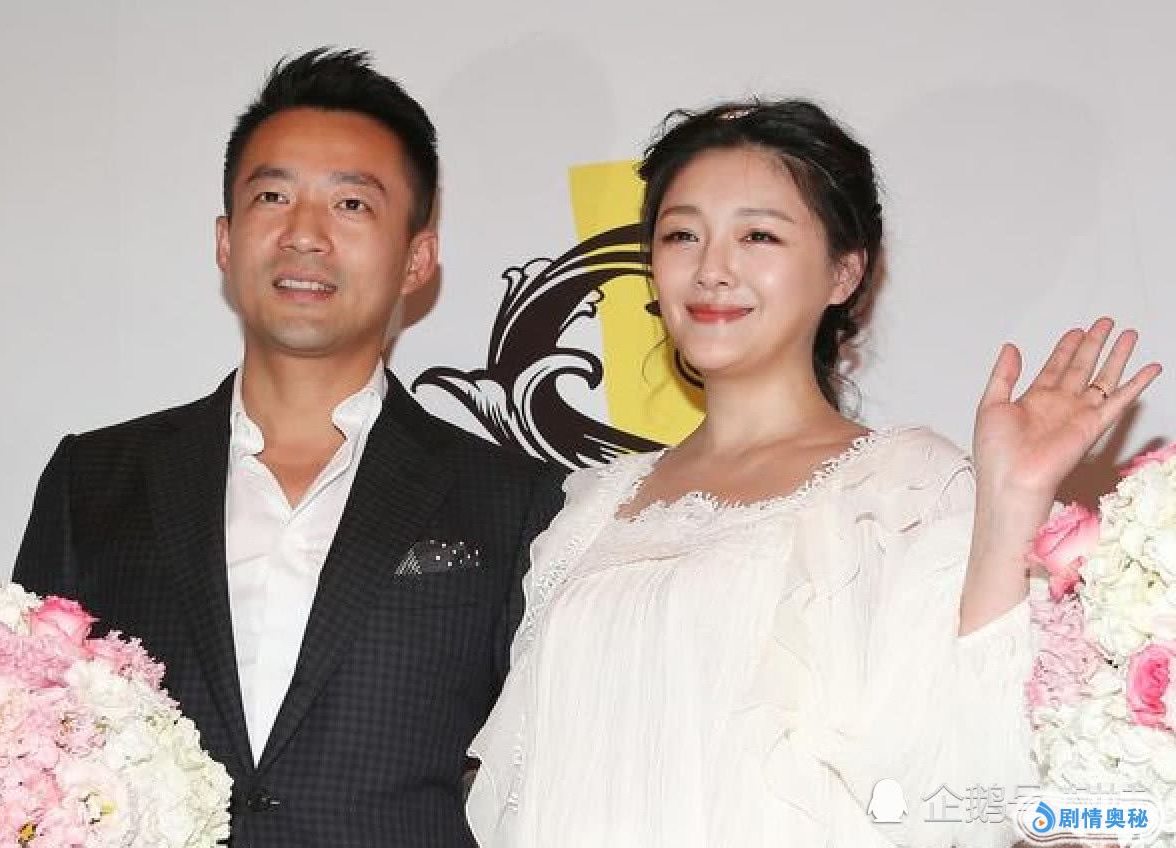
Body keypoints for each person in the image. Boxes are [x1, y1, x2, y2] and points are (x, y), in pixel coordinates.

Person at [465, 99, 1162, 847]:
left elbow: (965, 776)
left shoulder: (903, 487)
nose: (711, 269)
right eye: (681, 235)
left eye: (758, 235)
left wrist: (1012, 502)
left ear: (843, 272)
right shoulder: (592, 506)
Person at [13, 48, 564, 848]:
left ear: (416, 258)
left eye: (351, 203)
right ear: (226, 240)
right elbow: (27, 751)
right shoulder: (93, 480)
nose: (304, 234)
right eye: (272, 196)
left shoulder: (514, 500)